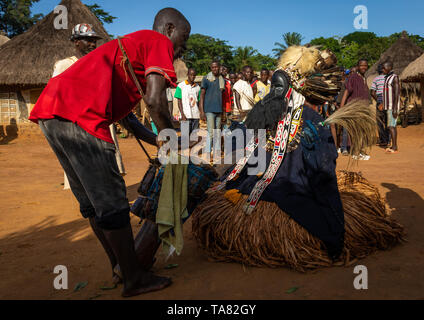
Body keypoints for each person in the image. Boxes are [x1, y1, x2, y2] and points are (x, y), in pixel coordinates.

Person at [29, 8, 191, 298]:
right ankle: (134, 279)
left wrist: (156, 139)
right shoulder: (158, 42)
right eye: (184, 37)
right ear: (168, 29)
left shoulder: (132, 50)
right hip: (79, 114)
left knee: (93, 203)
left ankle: (121, 266)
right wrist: (172, 142)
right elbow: (155, 102)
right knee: (112, 202)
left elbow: (128, 119)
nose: (183, 47)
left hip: (52, 112)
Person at [53, 24, 126, 190]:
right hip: (77, 131)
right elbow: (56, 100)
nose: (93, 44)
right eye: (89, 40)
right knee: (86, 180)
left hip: (103, 129)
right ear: (76, 42)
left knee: (109, 177)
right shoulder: (64, 66)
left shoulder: (103, 67)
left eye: (95, 40)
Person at [339, 59, 371, 160]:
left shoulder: (363, 77)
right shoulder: (353, 77)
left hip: (362, 108)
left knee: (360, 130)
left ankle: (358, 150)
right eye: (362, 65)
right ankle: (354, 152)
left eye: (365, 66)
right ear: (358, 66)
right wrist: (341, 108)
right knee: (353, 130)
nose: (364, 67)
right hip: (354, 107)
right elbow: (347, 92)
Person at [199, 61, 225, 157]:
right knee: (210, 132)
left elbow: (221, 96)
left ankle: (217, 151)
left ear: (219, 67)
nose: (215, 69)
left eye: (216, 67)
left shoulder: (222, 80)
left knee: (217, 132)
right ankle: (207, 152)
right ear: (211, 68)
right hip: (209, 109)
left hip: (218, 109)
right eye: (213, 67)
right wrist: (202, 111)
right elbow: (202, 95)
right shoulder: (206, 79)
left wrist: (223, 111)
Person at [174, 68, 201, 136]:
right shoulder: (181, 86)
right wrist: (182, 114)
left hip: (195, 116)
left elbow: (199, 101)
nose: (193, 76)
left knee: (194, 137)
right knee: (185, 138)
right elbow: (179, 101)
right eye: (191, 75)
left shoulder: (198, 87)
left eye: (194, 75)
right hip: (185, 115)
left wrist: (200, 113)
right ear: (187, 75)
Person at [382, 61, 401, 153]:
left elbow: (397, 93)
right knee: (391, 126)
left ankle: (394, 147)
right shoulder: (387, 78)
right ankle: (393, 146)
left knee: (391, 126)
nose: (383, 70)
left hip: (392, 106)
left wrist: (394, 108)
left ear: (389, 67)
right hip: (388, 106)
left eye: (384, 68)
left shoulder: (395, 77)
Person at [370, 64, 390, 148]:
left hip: (380, 100)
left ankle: (383, 140)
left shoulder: (376, 79)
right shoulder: (389, 78)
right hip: (389, 100)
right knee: (388, 121)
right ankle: (388, 140)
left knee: (379, 122)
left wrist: (378, 100)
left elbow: (372, 92)